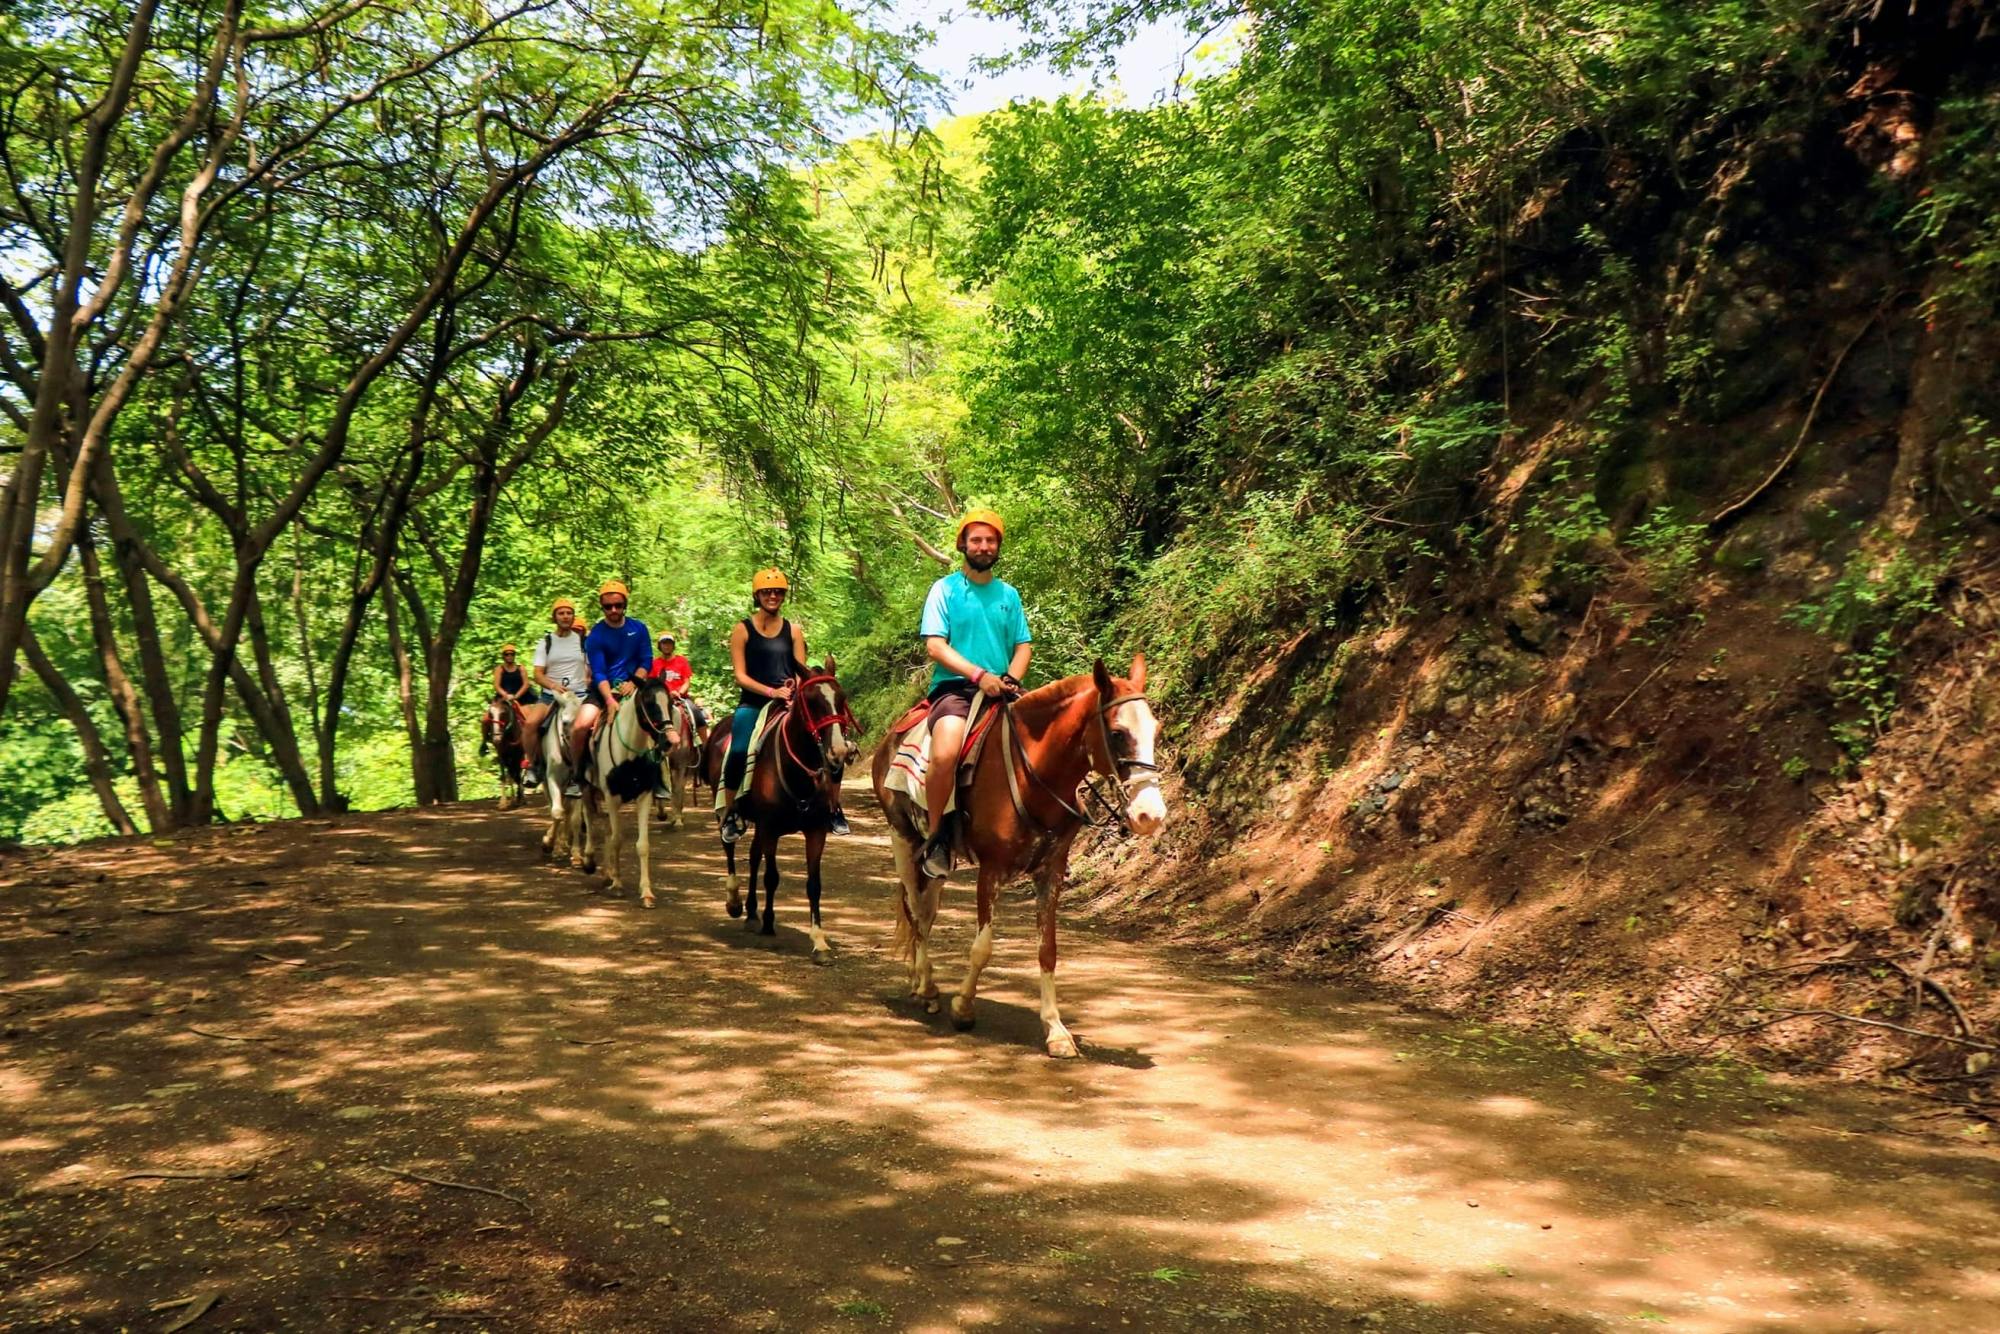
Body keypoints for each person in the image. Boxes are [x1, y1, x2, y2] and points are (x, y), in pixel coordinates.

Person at [918, 508, 1032, 878]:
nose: (983, 546)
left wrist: (1011, 679)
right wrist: (978, 674)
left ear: (998, 546)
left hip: (1002, 688)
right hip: (956, 690)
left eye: (990, 540)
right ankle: (937, 837)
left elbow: (1023, 646)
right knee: (947, 750)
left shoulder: (1008, 595)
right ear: (963, 544)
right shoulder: (944, 589)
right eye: (976, 540)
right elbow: (935, 646)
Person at [718, 569, 808, 844]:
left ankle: (830, 806)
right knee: (738, 750)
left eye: (778, 591)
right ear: (757, 595)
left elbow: (800, 669)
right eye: (767, 592)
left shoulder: (793, 630)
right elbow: (741, 676)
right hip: (754, 703)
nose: (773, 596)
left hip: (787, 703)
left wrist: (792, 687)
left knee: (823, 743)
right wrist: (771, 691)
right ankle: (732, 811)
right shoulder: (742, 629)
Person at [564, 579, 667, 801]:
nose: (613, 610)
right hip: (604, 691)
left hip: (635, 687)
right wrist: (610, 700)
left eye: (618, 605)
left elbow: (646, 660)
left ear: (624, 605)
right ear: (602, 607)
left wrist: (634, 683)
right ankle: (577, 775)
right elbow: (599, 672)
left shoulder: (638, 629)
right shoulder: (596, 636)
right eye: (608, 606)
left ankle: (657, 779)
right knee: (579, 726)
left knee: (658, 722)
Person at [521, 598, 591, 789]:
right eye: (561, 613)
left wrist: (589, 680)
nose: (565, 616)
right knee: (530, 724)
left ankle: (593, 769)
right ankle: (533, 766)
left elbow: (590, 668)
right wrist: (552, 685)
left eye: (569, 613)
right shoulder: (546, 643)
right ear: (555, 617)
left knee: (595, 727)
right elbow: (537, 673)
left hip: (579, 696)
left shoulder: (584, 642)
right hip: (551, 696)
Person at [652, 631, 710, 749]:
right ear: (660, 646)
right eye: (664, 643)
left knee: (697, 714)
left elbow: (687, 681)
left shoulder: (681, 661)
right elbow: (652, 684)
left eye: (669, 643)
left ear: (673, 645)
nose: (667, 646)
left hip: (680, 698)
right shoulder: (655, 664)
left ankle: (706, 747)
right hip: (662, 699)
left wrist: (679, 693)